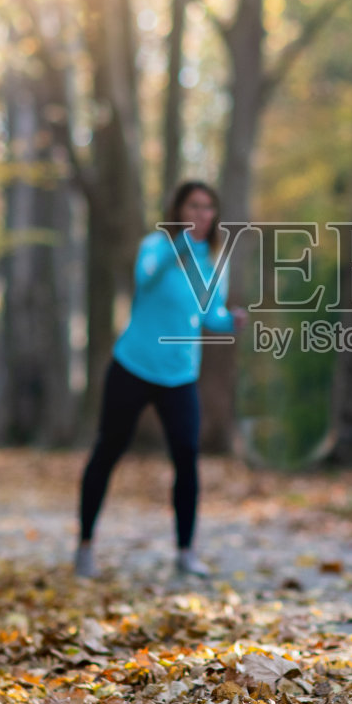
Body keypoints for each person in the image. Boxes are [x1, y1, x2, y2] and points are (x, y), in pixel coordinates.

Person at [74, 181, 248, 579]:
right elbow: (146, 280)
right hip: (132, 366)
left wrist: (231, 321)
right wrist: (182, 248)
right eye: (194, 205)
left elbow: (209, 315)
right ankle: (85, 545)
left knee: (186, 458)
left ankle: (185, 553)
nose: (202, 214)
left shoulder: (214, 262)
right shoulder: (155, 247)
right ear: (179, 209)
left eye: (208, 208)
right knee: (108, 451)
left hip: (180, 374)